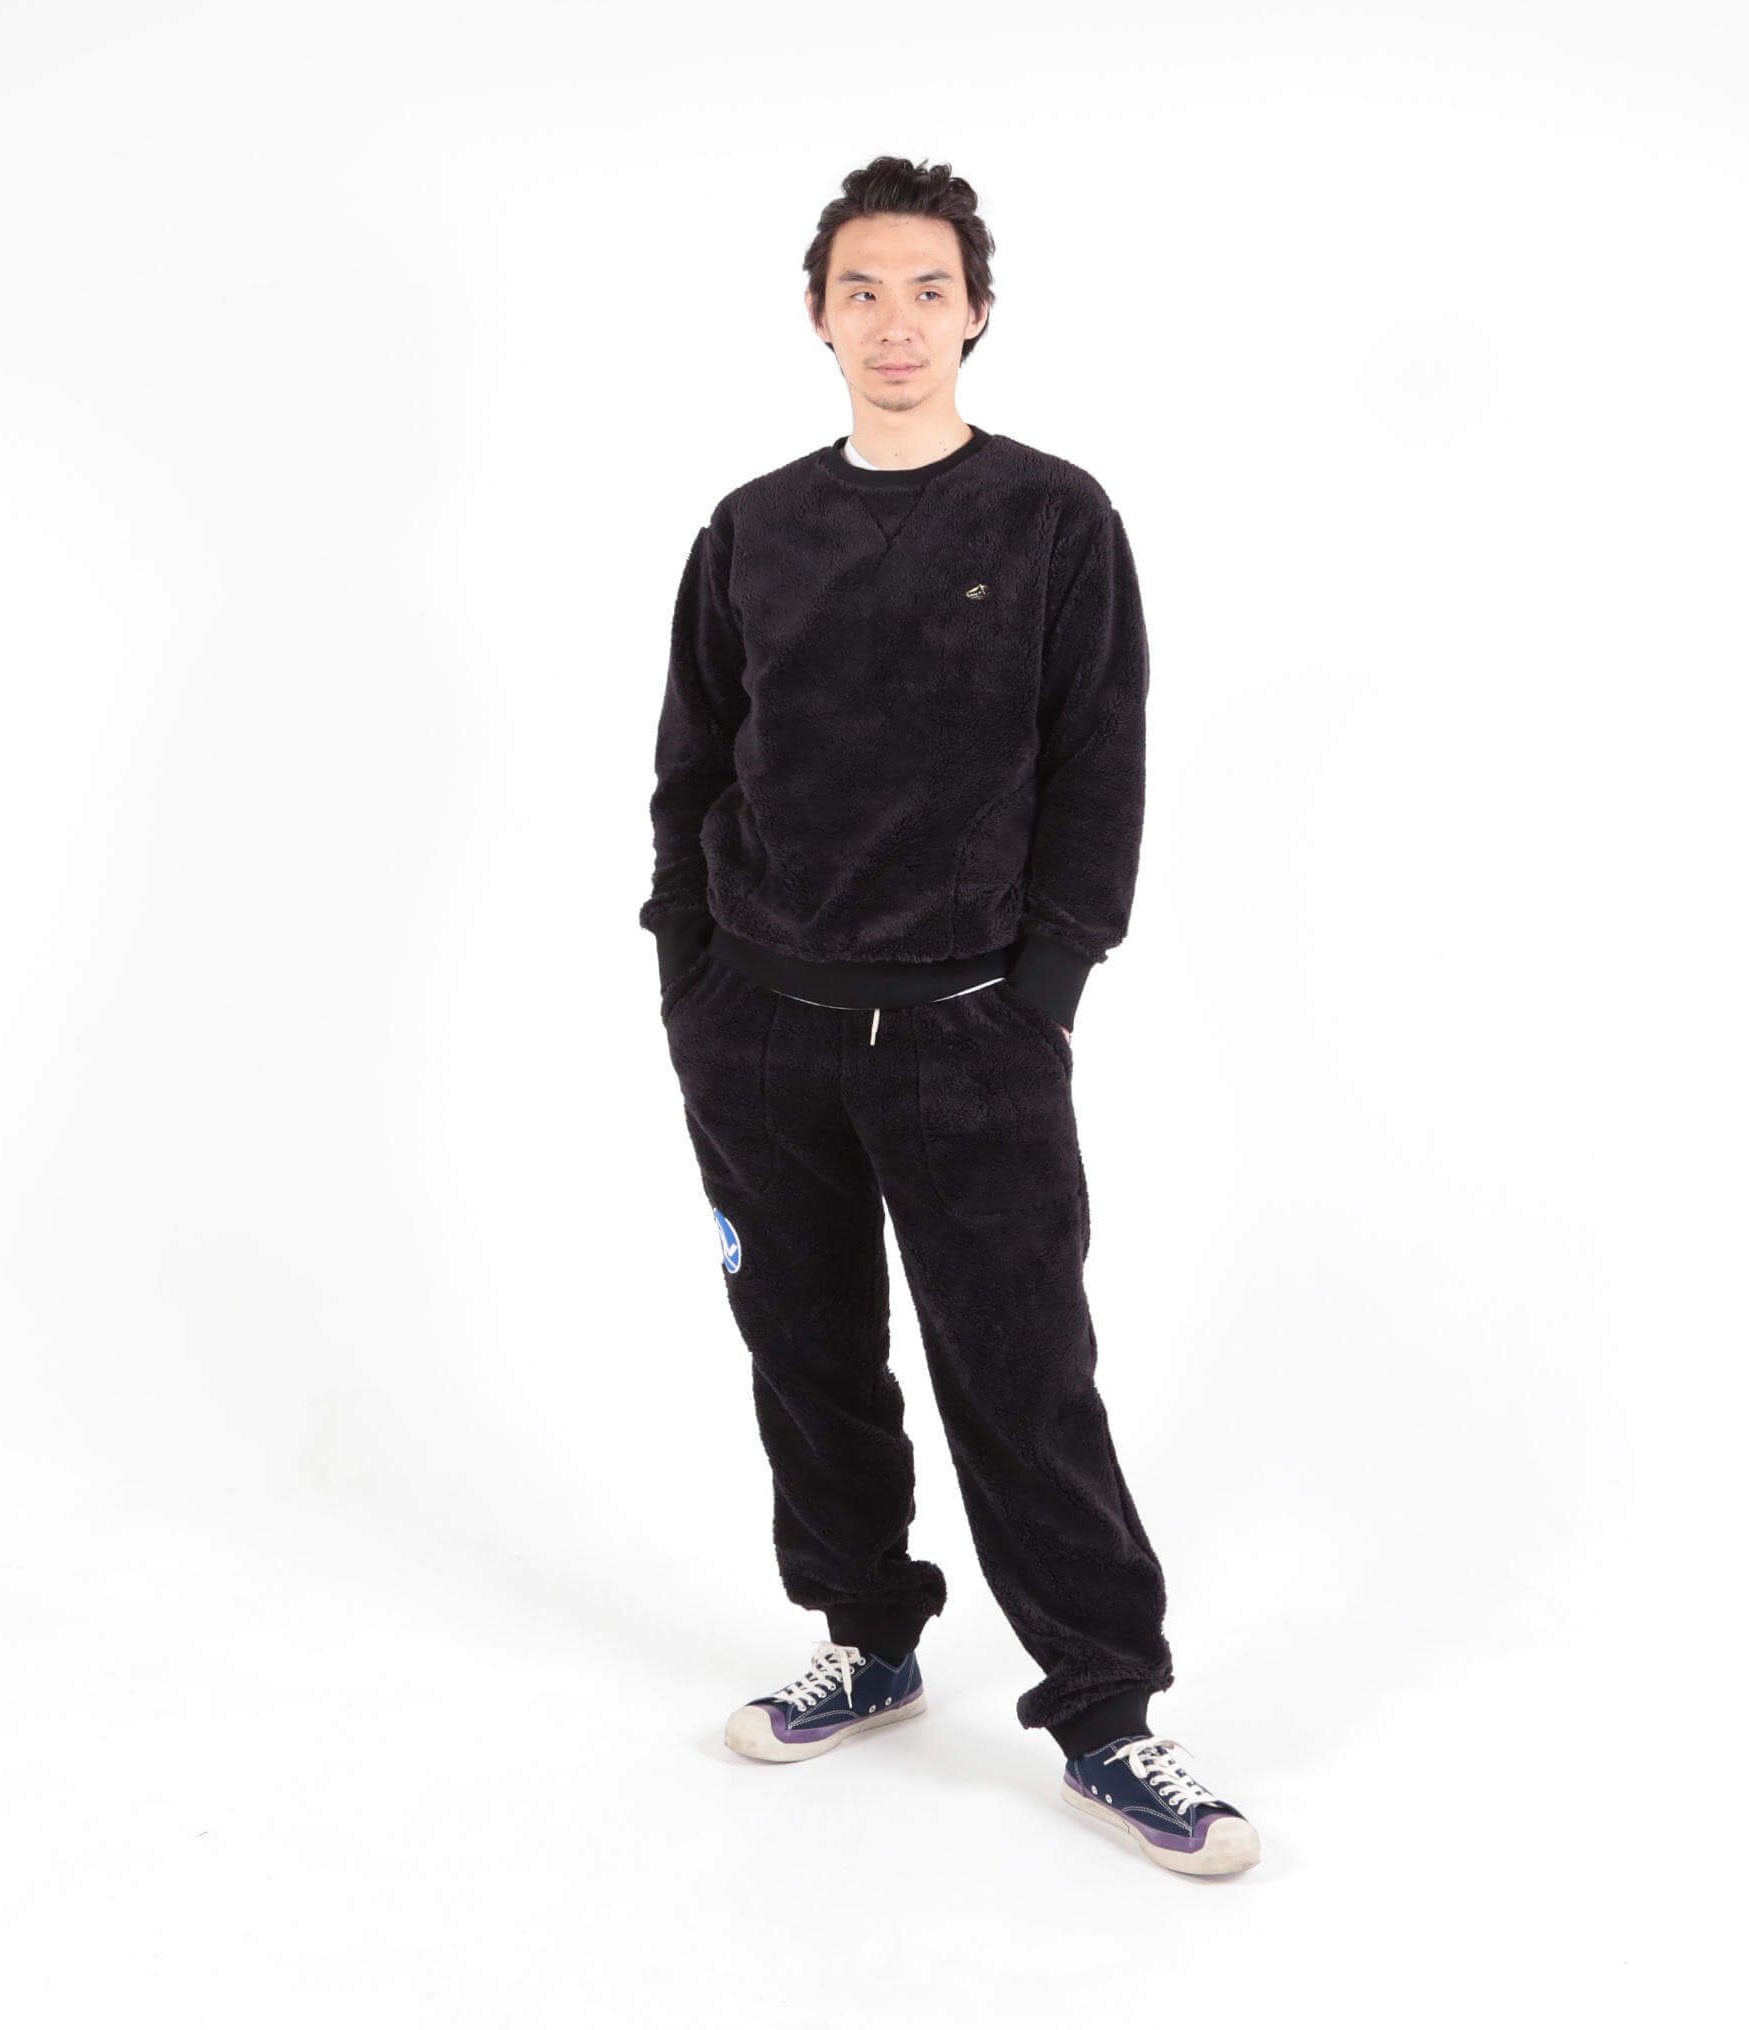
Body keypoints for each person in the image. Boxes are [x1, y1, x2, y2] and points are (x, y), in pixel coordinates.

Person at [639, 156, 1258, 1876]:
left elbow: (1098, 762)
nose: (894, 321)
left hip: (970, 1034)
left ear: (976, 311)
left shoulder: (1052, 517)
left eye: (927, 288)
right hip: (760, 1027)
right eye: (862, 290)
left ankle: (1107, 1714)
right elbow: (691, 767)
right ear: (817, 316)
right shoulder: (750, 528)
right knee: (808, 1356)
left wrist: (1040, 991)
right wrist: (691, 979)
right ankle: (867, 1635)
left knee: (1020, 1373)